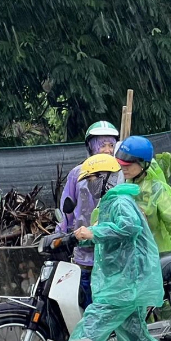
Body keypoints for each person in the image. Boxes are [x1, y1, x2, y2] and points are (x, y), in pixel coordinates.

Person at [69, 154, 171, 341]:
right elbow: (110, 237)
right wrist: (82, 236)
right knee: (136, 338)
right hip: (123, 282)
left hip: (125, 284)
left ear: (107, 177)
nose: (90, 184)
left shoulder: (120, 202)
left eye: (93, 179)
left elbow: (129, 227)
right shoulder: (110, 203)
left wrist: (93, 232)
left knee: (93, 323)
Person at [57, 121, 120, 305]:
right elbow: (67, 209)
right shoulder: (77, 174)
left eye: (111, 145)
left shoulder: (120, 173)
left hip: (111, 253)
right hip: (84, 252)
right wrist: (61, 237)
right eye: (102, 145)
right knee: (86, 302)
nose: (107, 150)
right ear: (91, 147)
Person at [115, 135, 171, 253]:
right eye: (121, 164)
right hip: (129, 256)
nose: (123, 168)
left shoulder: (157, 189)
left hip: (157, 256)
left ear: (143, 163)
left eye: (128, 165)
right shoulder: (122, 188)